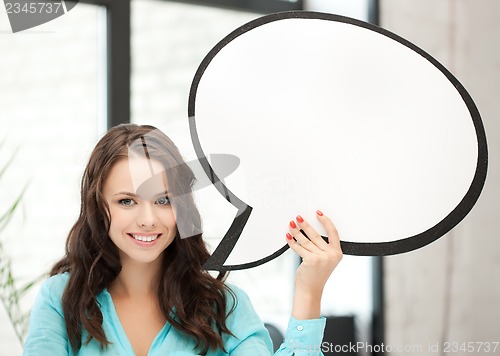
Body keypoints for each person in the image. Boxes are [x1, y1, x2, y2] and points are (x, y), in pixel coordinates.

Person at [23, 124, 343, 355]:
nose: (148, 218)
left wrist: (308, 291)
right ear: (98, 207)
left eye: (163, 200)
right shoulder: (60, 300)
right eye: (127, 201)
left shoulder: (223, 307)